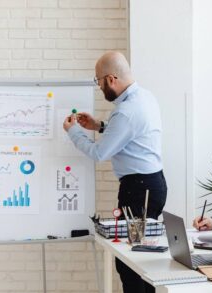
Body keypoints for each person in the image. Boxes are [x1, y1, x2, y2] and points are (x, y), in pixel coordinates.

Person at [63, 51, 166, 293]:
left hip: (139, 190)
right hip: (152, 184)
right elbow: (132, 135)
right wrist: (99, 125)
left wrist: (73, 132)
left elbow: (99, 153)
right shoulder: (145, 97)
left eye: (98, 81)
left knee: (130, 264)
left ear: (111, 79)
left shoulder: (126, 111)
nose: (99, 87)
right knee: (141, 260)